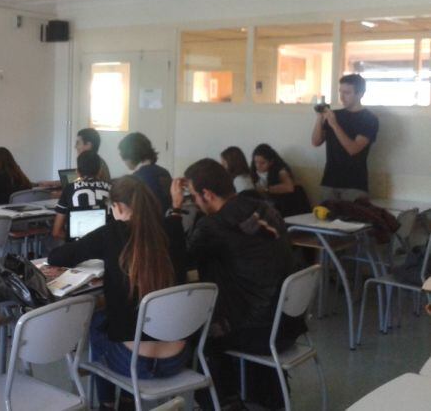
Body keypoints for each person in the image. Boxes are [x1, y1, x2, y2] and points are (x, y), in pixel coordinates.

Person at [48, 175, 189, 411]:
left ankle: (107, 403)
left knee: (97, 322)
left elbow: (58, 257)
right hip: (178, 359)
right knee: (124, 320)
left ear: (118, 207)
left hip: (132, 363)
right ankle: (126, 400)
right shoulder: (172, 229)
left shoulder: (111, 233)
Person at [172, 159, 304, 409]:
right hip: (288, 323)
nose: (195, 202)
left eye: (194, 196)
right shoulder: (264, 208)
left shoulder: (213, 226)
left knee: (193, 333)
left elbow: (178, 259)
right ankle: (262, 393)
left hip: (258, 331)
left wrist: (175, 208)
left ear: (207, 194)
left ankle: (225, 402)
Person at [312, 74, 379, 201]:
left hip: (354, 184)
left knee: (353, 214)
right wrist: (320, 117)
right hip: (329, 181)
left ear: (360, 94)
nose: (342, 97)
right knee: (324, 214)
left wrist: (334, 124)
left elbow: (353, 149)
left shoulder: (369, 119)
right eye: (340, 92)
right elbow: (316, 142)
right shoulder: (335, 115)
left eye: (347, 93)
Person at [51, 151, 111, 240]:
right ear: (100, 171)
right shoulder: (112, 188)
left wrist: (74, 240)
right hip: (105, 243)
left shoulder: (69, 189)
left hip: (78, 245)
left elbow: (56, 232)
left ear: (78, 172)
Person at [118, 132, 171, 214]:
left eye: (123, 157)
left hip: (146, 220)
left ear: (129, 156)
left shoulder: (134, 180)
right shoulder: (164, 172)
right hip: (166, 220)